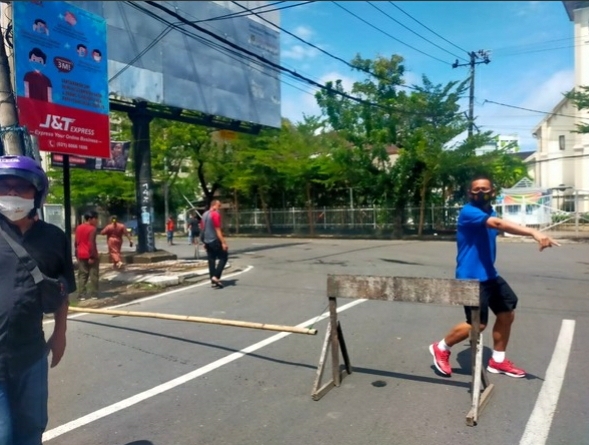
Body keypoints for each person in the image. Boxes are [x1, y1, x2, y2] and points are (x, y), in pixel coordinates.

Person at [429, 175, 560, 379]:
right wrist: (533, 232)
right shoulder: (468, 212)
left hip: (490, 275)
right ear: (469, 193)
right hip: (470, 278)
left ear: (492, 192)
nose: (480, 192)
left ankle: (498, 361)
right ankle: (441, 347)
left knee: (507, 312)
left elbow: (498, 222)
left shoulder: (489, 210)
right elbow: (499, 224)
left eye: (485, 189)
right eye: (476, 189)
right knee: (477, 325)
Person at [0, 155, 75, 445]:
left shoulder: (53, 238)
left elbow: (62, 288)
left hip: (31, 354)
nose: (13, 194)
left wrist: (60, 333)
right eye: (5, 187)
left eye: (22, 187)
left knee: (32, 429)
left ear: (38, 194)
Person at [200, 200, 228, 288]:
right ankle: (216, 276)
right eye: (219, 206)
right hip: (215, 240)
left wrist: (204, 242)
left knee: (211, 260)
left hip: (207, 241)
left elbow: (202, 229)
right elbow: (217, 229)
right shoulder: (215, 214)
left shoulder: (204, 215)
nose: (219, 208)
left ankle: (212, 280)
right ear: (214, 205)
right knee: (224, 257)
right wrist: (223, 242)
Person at [74, 210, 99, 301]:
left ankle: (81, 294)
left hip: (81, 254)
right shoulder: (92, 229)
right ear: (90, 219)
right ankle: (94, 294)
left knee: (82, 275)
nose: (97, 221)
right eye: (96, 219)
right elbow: (91, 243)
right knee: (94, 274)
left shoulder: (78, 228)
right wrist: (92, 256)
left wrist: (76, 253)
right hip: (90, 254)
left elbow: (76, 242)